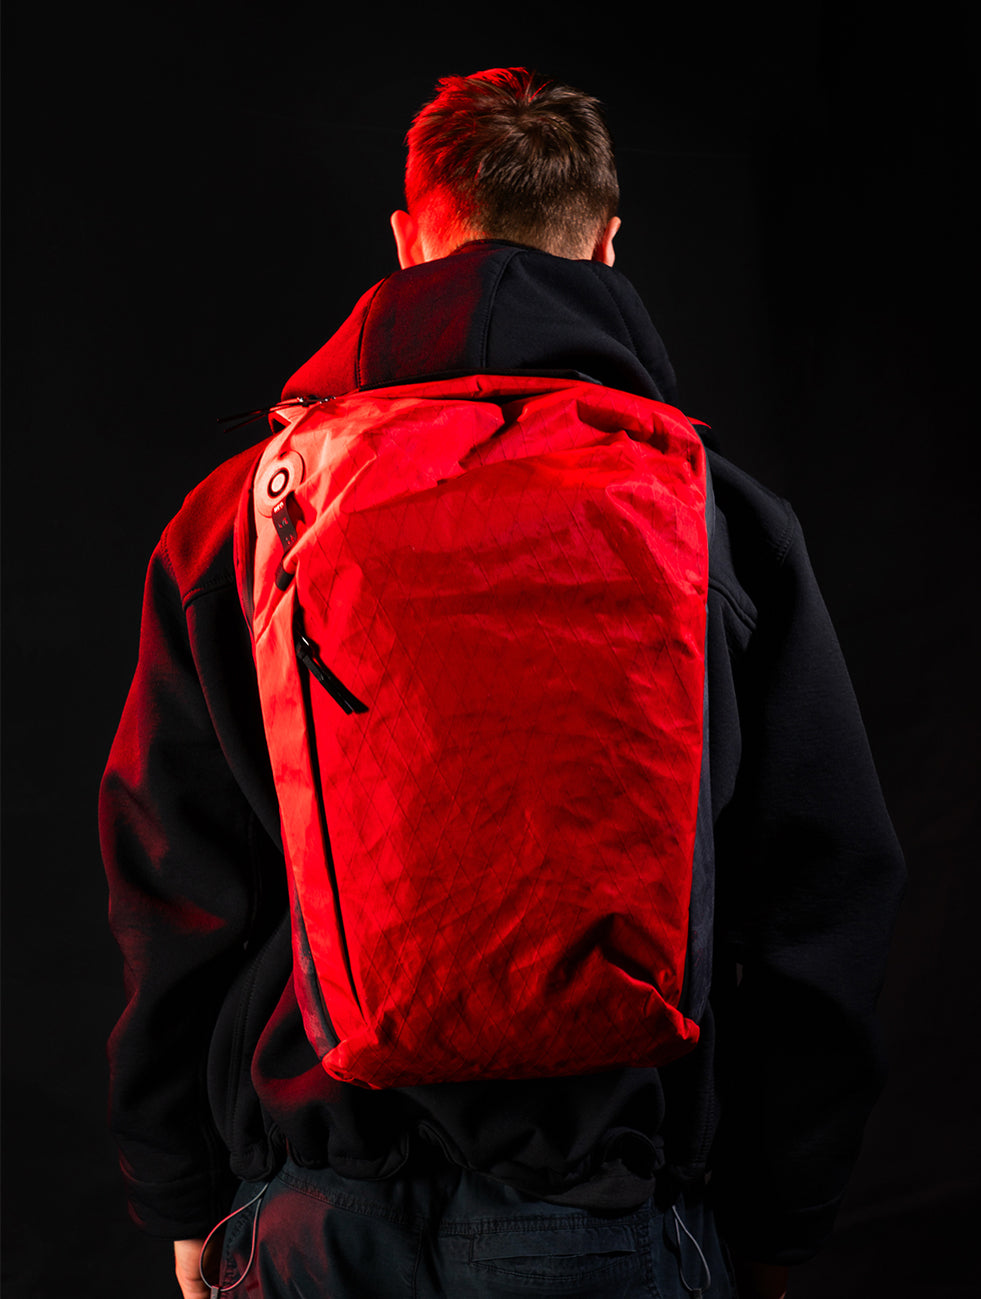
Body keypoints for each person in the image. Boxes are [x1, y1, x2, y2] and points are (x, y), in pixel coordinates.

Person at [100, 67, 905, 1299]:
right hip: (610, 1212)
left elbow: (173, 890)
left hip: (314, 1212)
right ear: (609, 245)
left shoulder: (237, 525)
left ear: (408, 239)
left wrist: (179, 1193)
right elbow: (822, 895)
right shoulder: (719, 521)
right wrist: (782, 1217)